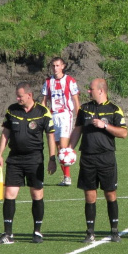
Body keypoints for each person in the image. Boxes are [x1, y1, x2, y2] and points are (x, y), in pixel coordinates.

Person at [0, 82, 57, 245]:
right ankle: (8, 234)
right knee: (9, 194)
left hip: (34, 159)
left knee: (37, 195)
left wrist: (52, 158)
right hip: (14, 159)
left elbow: (50, 135)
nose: (17, 98)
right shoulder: (12, 110)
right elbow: (5, 133)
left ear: (29, 95)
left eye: (20, 96)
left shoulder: (43, 112)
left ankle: (37, 232)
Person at [69, 78, 127, 243]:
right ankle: (90, 232)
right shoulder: (85, 109)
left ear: (101, 90)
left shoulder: (114, 110)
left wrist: (105, 126)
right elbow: (77, 131)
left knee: (110, 193)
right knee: (89, 194)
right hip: (87, 157)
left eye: (91, 89)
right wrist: (69, 148)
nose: (88, 91)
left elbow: (123, 133)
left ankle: (114, 231)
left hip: (106, 157)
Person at [41, 57, 80, 186]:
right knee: (58, 147)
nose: (55, 68)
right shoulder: (48, 82)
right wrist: (42, 116)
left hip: (65, 115)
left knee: (63, 147)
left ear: (63, 66)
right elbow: (44, 101)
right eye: (53, 66)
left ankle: (67, 177)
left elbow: (75, 100)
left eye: (58, 65)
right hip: (53, 116)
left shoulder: (69, 80)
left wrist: (79, 118)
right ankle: (65, 176)